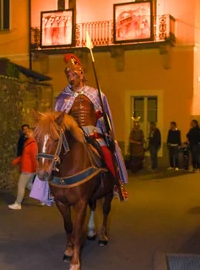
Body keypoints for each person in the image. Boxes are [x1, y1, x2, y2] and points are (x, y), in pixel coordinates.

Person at [54, 54, 128, 199]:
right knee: (53, 154)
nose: (71, 78)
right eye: (68, 75)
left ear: (81, 75)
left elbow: (104, 116)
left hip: (92, 133)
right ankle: (51, 188)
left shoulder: (95, 94)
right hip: (72, 134)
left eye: (74, 74)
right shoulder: (63, 97)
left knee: (107, 153)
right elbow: (58, 119)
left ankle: (116, 185)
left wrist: (104, 123)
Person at [8, 127, 38, 210]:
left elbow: (34, 158)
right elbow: (25, 155)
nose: (28, 132)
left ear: (34, 134)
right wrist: (17, 160)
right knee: (28, 184)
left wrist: (37, 169)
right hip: (29, 168)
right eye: (28, 131)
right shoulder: (29, 142)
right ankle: (43, 198)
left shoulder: (33, 144)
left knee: (21, 185)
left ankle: (18, 203)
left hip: (28, 169)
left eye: (30, 132)